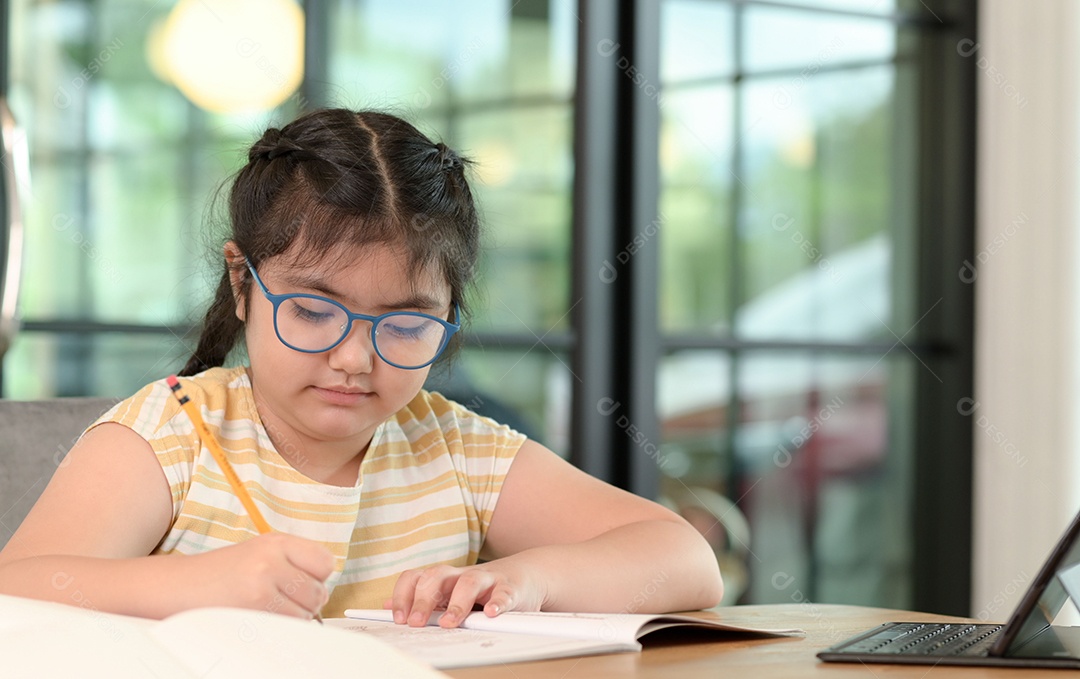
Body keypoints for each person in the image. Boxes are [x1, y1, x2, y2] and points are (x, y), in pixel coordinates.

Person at [0, 108, 722, 626]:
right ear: (244, 284)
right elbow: (13, 592)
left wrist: (526, 575)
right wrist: (191, 584)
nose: (355, 358)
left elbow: (687, 561)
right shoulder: (175, 435)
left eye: (407, 324)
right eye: (314, 312)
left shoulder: (452, 447)